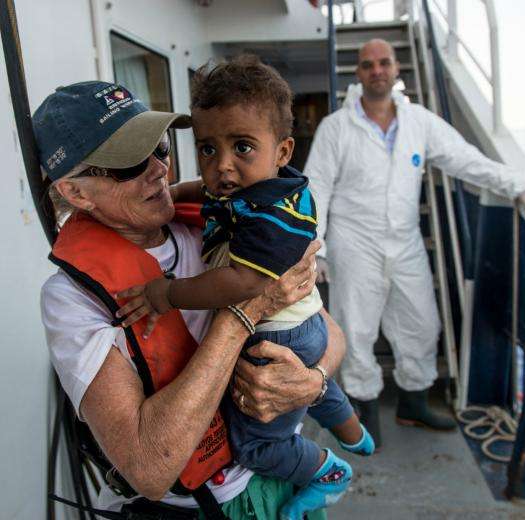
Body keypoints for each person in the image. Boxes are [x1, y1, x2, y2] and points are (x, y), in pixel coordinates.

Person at [36, 80, 346, 519]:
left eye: (159, 148)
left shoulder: (224, 222)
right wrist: (246, 308)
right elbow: (149, 467)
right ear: (76, 192)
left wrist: (313, 383)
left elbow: (331, 335)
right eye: (128, 165)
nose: (158, 170)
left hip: (279, 474)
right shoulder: (72, 298)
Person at [114, 56, 374, 520]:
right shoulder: (251, 186)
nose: (223, 167)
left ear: (284, 150)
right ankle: (353, 432)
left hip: (277, 333)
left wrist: (166, 293)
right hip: (306, 322)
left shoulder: (270, 213)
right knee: (315, 380)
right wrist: (171, 196)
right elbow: (205, 189)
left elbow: (242, 284)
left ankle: (326, 471)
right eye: (208, 149)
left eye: (242, 147)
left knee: (254, 446)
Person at [304, 38, 525, 447]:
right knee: (356, 331)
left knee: (423, 326)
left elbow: (465, 159)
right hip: (355, 243)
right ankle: (365, 410)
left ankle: (413, 403)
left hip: (404, 243)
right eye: (368, 64)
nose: (377, 70)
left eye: (384, 63)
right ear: (359, 73)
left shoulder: (419, 122)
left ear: (395, 70)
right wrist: (315, 246)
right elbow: (316, 186)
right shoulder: (336, 127)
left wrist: (522, 185)